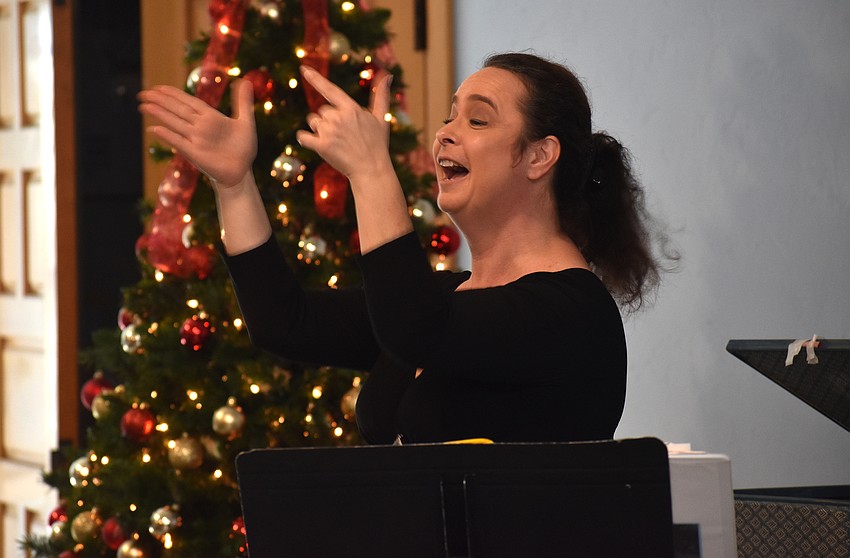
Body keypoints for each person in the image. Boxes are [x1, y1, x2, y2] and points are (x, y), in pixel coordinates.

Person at [138, 52, 665, 445]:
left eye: (477, 120)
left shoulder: (572, 310)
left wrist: (371, 171)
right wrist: (234, 187)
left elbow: (417, 328)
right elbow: (286, 321)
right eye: (449, 117)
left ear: (539, 156)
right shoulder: (446, 297)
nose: (445, 136)